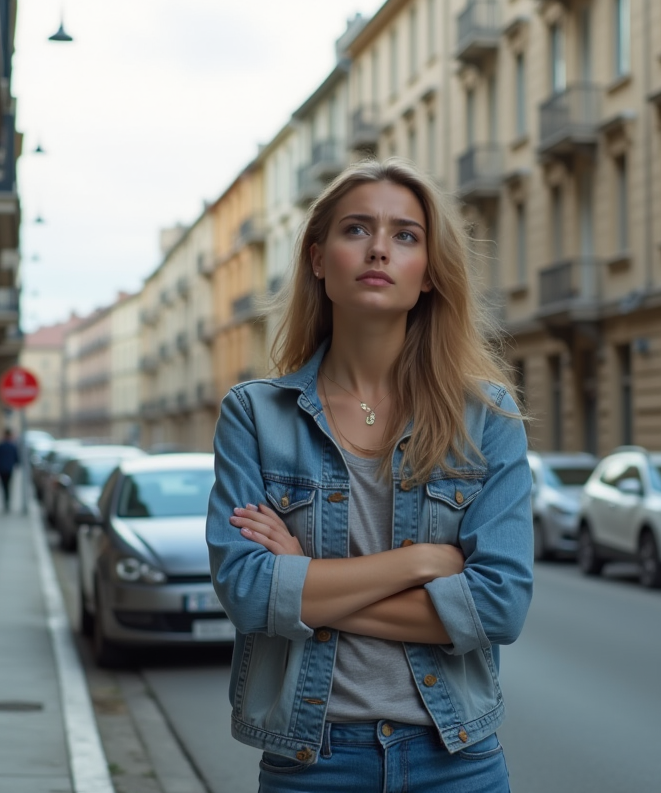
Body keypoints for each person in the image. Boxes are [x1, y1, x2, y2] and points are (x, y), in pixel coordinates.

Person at [206, 158, 533, 792]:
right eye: (357, 229)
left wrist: (303, 581)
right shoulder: (254, 415)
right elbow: (248, 594)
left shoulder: (487, 416)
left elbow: (498, 607)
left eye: (406, 235)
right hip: (313, 762)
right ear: (318, 259)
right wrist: (420, 564)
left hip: (456, 760)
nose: (380, 247)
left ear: (430, 273)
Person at [0, 428, 20, 512]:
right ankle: (7, 501)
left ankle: (6, 501)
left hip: (2, 469)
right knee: (8, 486)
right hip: (8, 469)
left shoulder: (0, 445)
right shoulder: (12, 446)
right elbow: (17, 459)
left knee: (4, 486)